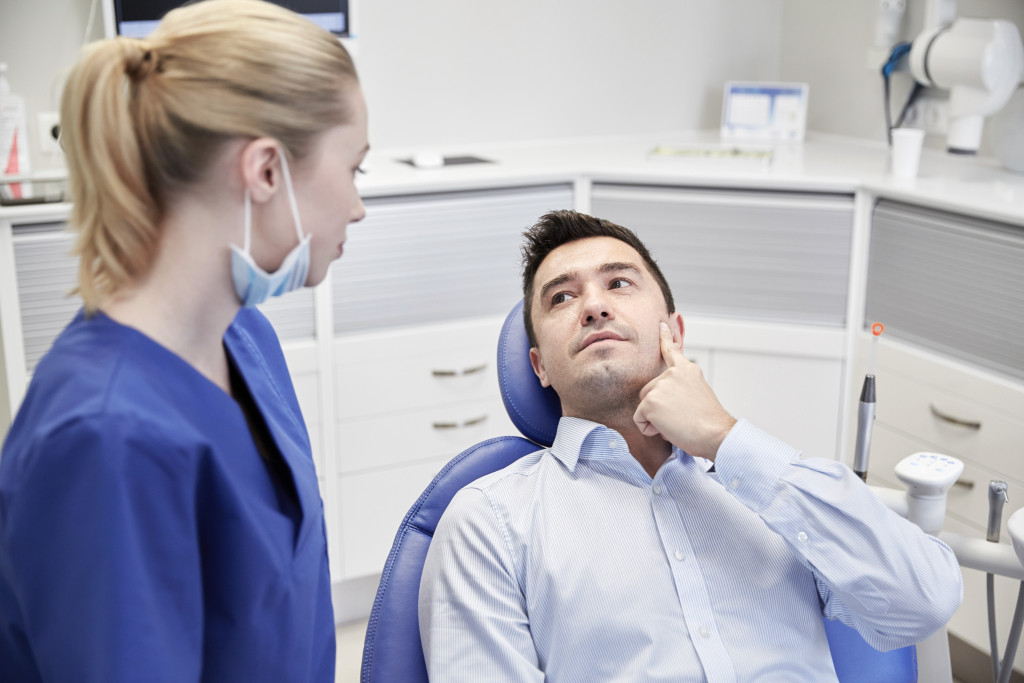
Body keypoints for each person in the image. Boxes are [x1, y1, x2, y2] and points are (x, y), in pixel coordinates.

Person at [418, 210, 963, 682]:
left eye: (620, 284)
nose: (593, 306)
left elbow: (924, 603)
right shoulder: (488, 521)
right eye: (562, 296)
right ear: (539, 366)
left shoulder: (772, 485)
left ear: (673, 334)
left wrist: (726, 440)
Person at [0, 1, 368, 680]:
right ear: (265, 171)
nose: (357, 205)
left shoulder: (246, 340)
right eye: (355, 168)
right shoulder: (105, 438)